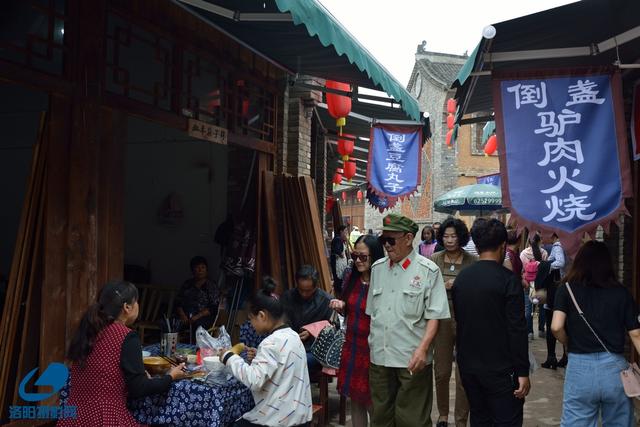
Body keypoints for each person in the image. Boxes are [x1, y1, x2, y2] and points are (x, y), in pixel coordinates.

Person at [58, 281, 187, 426]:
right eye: (136, 301)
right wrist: (171, 376)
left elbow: (105, 371)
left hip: (72, 417)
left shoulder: (90, 328)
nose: (138, 305)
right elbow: (138, 388)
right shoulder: (126, 336)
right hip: (104, 418)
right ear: (127, 307)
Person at [367, 213, 450, 427]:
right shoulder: (377, 269)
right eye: (383, 240)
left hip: (411, 358)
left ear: (408, 238)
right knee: (380, 418)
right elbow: (373, 314)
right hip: (380, 357)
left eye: (391, 240)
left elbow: (435, 316)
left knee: (412, 420)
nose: (386, 245)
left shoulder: (428, 271)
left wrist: (423, 350)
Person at [551, 241, 640, 426]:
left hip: (579, 367)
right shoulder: (621, 293)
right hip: (615, 370)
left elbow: (556, 327)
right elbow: (636, 335)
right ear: (608, 264)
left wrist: (568, 342)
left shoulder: (566, 289)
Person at [452, 218, 530, 426]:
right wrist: (522, 371)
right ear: (503, 246)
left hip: (469, 367)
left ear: (477, 246)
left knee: (479, 418)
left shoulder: (462, 279)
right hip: (502, 370)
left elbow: (461, 321)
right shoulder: (508, 280)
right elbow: (517, 329)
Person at [222, 277, 313, 427]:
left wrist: (229, 357)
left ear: (262, 316)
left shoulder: (270, 343)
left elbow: (253, 380)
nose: (251, 324)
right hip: (300, 416)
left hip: (280, 420)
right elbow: (281, 363)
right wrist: (259, 356)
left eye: (251, 319)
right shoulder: (293, 336)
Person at [329, 235, 385, 427]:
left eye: (364, 257)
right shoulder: (352, 278)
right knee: (356, 400)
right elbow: (350, 306)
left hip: (372, 350)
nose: (358, 261)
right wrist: (342, 305)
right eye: (355, 256)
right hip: (352, 346)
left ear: (375, 257)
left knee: (372, 402)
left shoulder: (383, 283)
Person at [429, 218, 477, 427]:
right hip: (441, 321)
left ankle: (460, 419)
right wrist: (443, 285)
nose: (449, 240)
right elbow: (426, 289)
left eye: (454, 236)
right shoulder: (434, 259)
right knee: (441, 371)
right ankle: (442, 415)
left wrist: (460, 285)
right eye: (446, 236)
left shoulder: (472, 262)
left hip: (466, 320)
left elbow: (478, 290)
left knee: (463, 374)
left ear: (461, 237)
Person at [281, 265, 333, 374]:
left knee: (295, 362)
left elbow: (332, 329)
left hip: (314, 349)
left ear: (316, 286)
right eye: (301, 290)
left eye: (308, 291)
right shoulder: (287, 297)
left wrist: (312, 332)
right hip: (290, 346)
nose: (304, 294)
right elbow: (281, 322)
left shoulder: (326, 301)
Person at [175, 256, 220, 338]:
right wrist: (183, 315)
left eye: (203, 267)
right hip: (185, 316)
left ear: (206, 269)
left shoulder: (211, 285)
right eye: (197, 268)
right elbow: (178, 301)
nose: (200, 270)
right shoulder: (187, 284)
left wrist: (196, 317)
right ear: (192, 270)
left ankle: (196, 349)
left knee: (198, 325)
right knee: (173, 323)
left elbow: (213, 307)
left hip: (202, 317)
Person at [520, 233, 548, 341]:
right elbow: (546, 268)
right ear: (539, 241)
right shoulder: (544, 252)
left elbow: (522, 270)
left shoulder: (524, 253)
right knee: (542, 307)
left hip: (528, 283)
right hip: (541, 283)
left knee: (528, 308)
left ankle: (530, 332)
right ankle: (541, 330)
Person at [330, 225, 349, 296]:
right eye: (345, 231)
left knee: (340, 279)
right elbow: (337, 250)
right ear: (341, 231)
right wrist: (341, 254)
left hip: (341, 264)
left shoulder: (341, 240)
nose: (346, 233)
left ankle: (339, 294)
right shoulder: (337, 239)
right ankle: (338, 295)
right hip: (338, 264)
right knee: (338, 280)